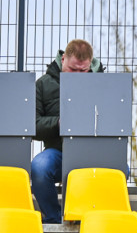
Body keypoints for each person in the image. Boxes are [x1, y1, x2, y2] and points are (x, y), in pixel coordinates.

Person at [30, 40, 104, 223]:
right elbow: (33, 125)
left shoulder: (105, 84)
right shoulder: (43, 85)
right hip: (58, 151)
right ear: (63, 60)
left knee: (122, 169)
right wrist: (58, 123)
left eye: (83, 71)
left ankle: (92, 218)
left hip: (93, 151)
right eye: (73, 70)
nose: (78, 75)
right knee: (39, 167)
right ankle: (53, 218)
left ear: (90, 65)